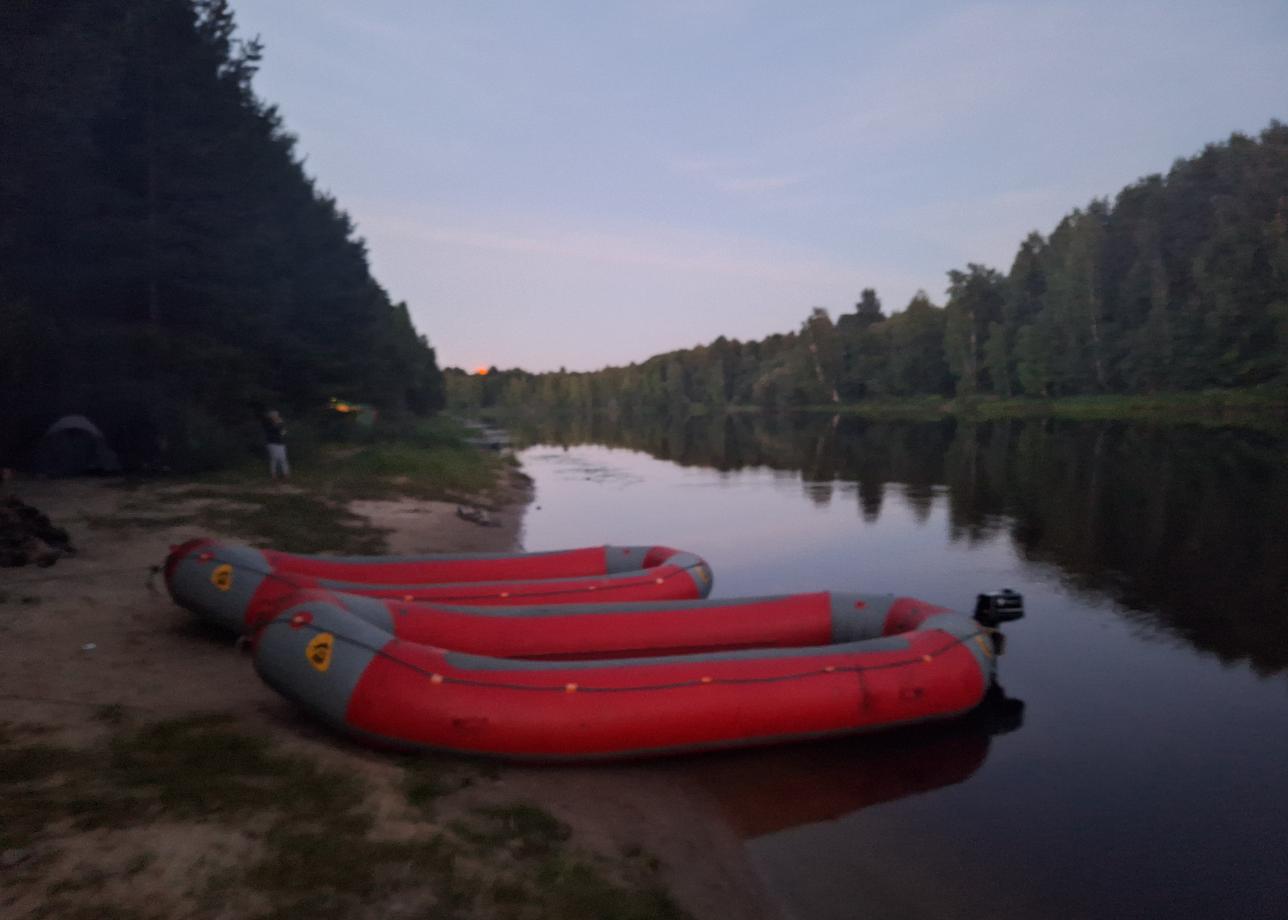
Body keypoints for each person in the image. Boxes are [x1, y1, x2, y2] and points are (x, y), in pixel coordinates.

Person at [263, 410, 289, 480]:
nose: (277, 417)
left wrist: (281, 424)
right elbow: (274, 430)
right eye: (275, 416)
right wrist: (279, 424)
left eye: (277, 415)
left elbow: (283, 433)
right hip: (273, 444)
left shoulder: (279, 423)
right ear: (271, 417)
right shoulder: (268, 424)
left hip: (280, 444)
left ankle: (285, 475)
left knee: (283, 459)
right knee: (274, 459)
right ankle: (274, 475)